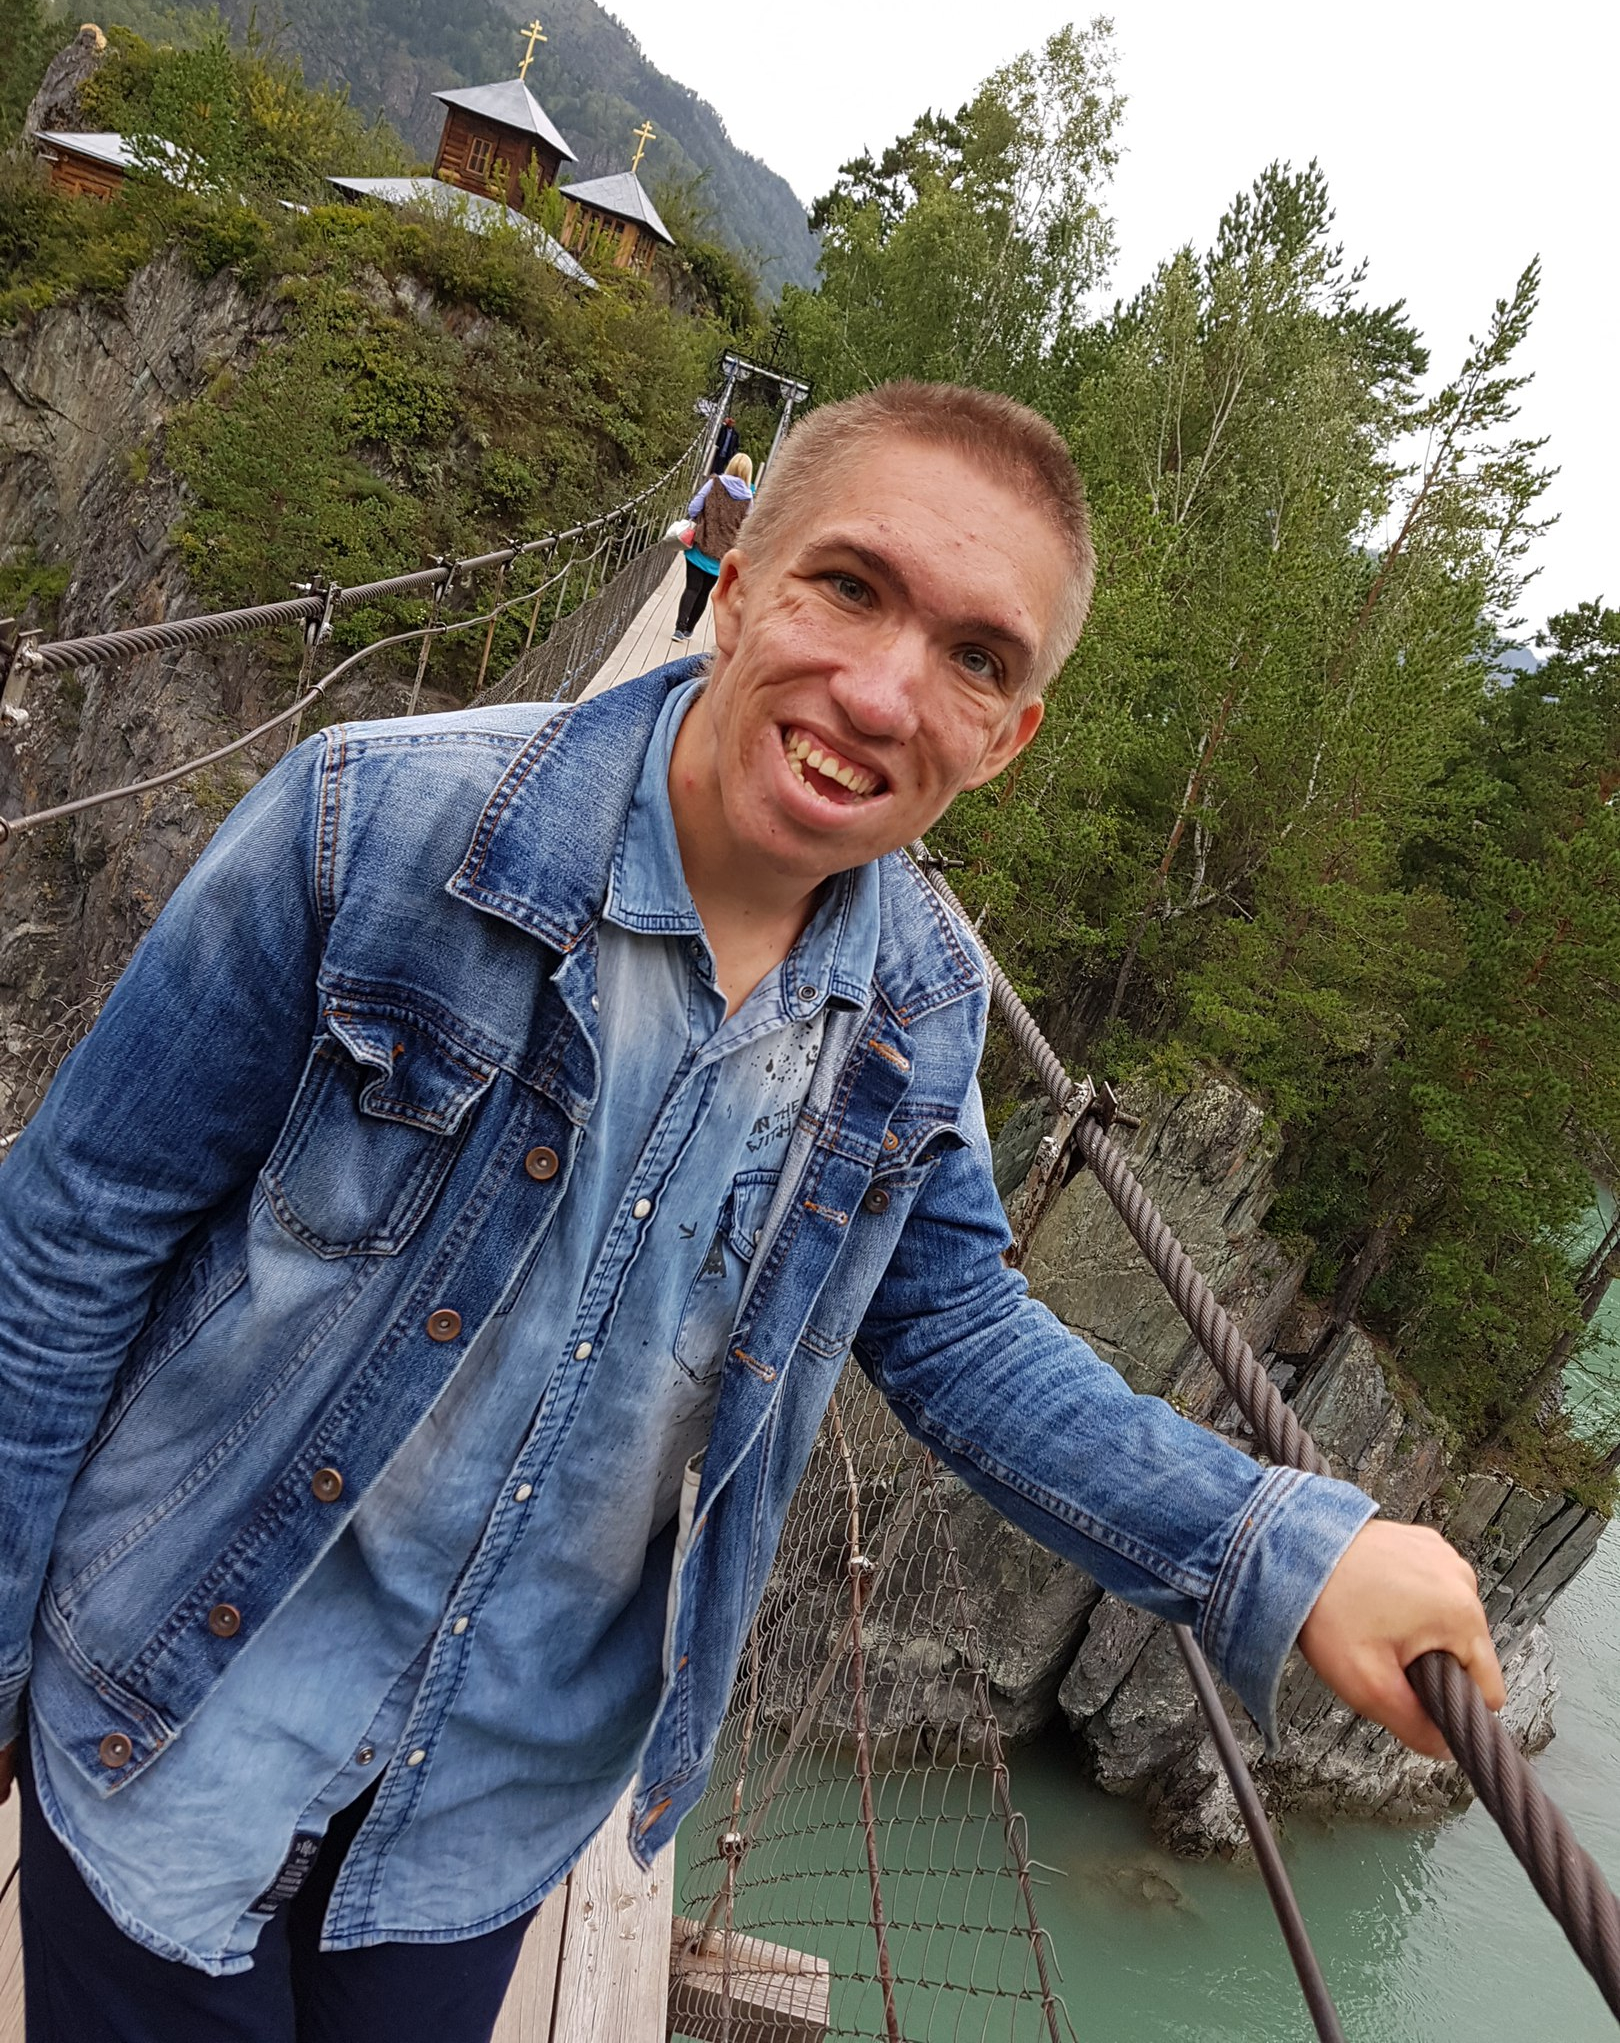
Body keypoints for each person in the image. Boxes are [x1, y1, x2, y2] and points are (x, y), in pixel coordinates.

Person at [0, 381, 1502, 2043]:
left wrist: (1280, 1551)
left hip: (475, 1812)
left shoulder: (920, 1012)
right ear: (727, 580)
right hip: (171, 1716)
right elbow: (70, 1240)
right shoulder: (374, 824)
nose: (882, 690)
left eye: (976, 657)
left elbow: (953, 1331)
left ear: (1008, 739)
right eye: (847, 586)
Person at [673, 451, 753, 640]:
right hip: (722, 554)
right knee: (704, 592)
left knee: (692, 588)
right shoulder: (749, 498)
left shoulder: (714, 483)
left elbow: (693, 508)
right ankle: (689, 629)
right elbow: (749, 528)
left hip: (701, 543)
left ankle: (679, 628)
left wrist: (702, 519)